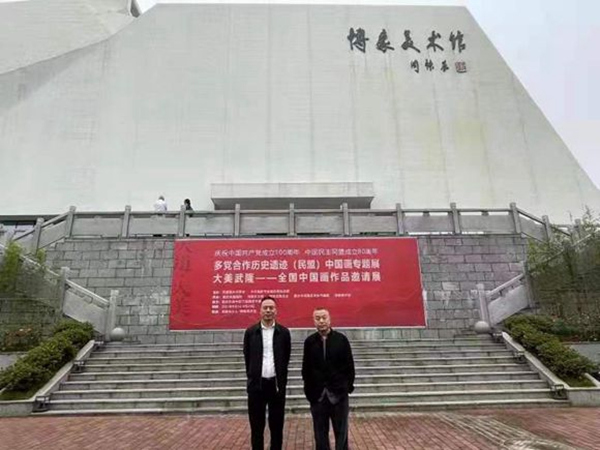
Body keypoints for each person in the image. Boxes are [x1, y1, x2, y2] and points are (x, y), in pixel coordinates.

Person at [302, 308, 355, 450]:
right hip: (318, 396)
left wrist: (346, 388)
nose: (321, 321)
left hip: (338, 395)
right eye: (317, 318)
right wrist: (309, 392)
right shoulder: (309, 342)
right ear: (314, 321)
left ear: (329, 319)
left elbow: (349, 366)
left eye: (324, 317)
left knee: (341, 433)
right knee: (320, 434)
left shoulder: (341, 340)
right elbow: (306, 369)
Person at [243, 296, 291, 450]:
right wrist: (253, 377)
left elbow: (286, 357)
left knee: (277, 426)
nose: (268, 310)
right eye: (265, 308)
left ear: (276, 311)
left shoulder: (284, 333)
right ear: (260, 310)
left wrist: (281, 381)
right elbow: (248, 357)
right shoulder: (251, 332)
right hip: (257, 386)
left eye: (271, 308)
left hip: (276, 386)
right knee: (257, 427)